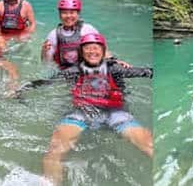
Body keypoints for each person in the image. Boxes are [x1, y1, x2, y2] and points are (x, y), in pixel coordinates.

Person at [36, 33, 153, 186]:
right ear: (81, 53)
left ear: (103, 53)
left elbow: (146, 72)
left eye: (96, 48)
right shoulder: (74, 71)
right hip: (81, 114)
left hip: (116, 114)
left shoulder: (116, 69)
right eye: (88, 49)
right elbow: (44, 82)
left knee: (148, 144)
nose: (92, 52)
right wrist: (18, 90)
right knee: (53, 153)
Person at [41, 0, 127, 69]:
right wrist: (44, 52)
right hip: (65, 71)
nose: (68, 16)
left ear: (78, 14)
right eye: (64, 13)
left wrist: (114, 62)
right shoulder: (53, 35)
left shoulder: (88, 29)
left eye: (72, 12)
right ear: (59, 15)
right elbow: (46, 63)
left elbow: (102, 50)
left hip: (86, 68)